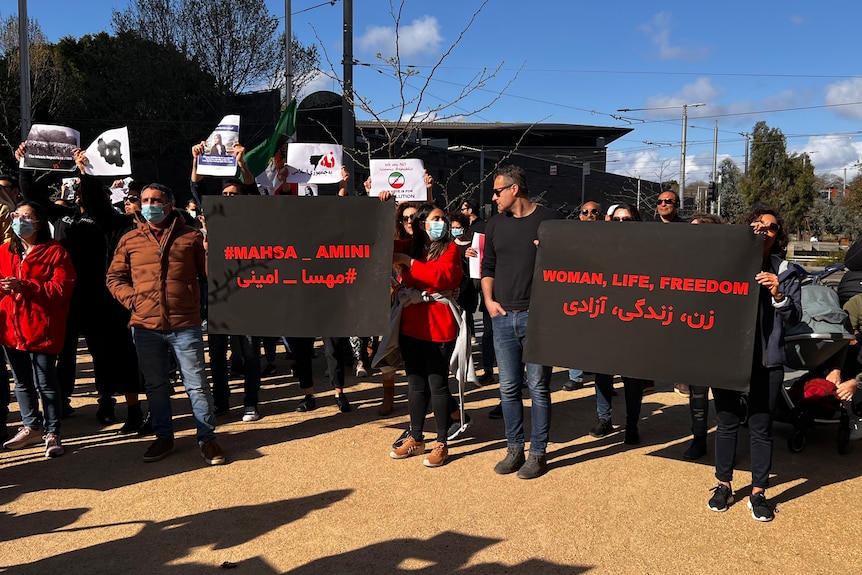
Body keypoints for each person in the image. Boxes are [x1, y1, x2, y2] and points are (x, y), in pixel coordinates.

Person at [106, 182, 225, 465]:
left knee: (196, 384)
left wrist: (210, 252)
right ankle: (163, 436)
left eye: (154, 200)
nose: (148, 205)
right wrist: (133, 301)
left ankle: (207, 439)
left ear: (169, 205)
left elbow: (211, 276)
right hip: (145, 326)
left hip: (185, 324)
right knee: (156, 385)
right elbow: (114, 278)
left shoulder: (192, 237)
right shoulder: (130, 240)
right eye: (144, 200)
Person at [707, 206, 801, 522]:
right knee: (727, 421)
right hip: (726, 356)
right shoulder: (723, 263)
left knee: (761, 427)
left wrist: (777, 293)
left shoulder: (786, 271)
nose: (763, 230)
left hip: (766, 361)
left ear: (778, 237)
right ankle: (723, 485)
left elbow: (794, 317)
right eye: (757, 224)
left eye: (771, 227)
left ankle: (758, 492)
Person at [481, 164, 560, 480]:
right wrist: (489, 301)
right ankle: (514, 448)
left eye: (498, 191)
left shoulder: (550, 220)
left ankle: (538, 453)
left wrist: (552, 252)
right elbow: (488, 266)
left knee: (539, 387)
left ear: (515, 189)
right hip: (502, 317)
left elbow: (573, 265)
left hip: (537, 317)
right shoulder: (495, 224)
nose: (494, 197)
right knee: (508, 387)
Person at [388, 204, 464, 467]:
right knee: (415, 384)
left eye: (442, 218)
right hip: (412, 326)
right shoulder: (411, 245)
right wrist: (383, 204)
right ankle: (417, 437)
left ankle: (441, 442)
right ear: (421, 224)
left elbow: (442, 277)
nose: (440, 223)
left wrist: (409, 263)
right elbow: (379, 239)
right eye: (435, 219)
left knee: (438, 385)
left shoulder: (451, 249)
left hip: (439, 328)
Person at [1, 201, 76, 457]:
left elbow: (62, 289)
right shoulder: (4, 252)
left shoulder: (56, 252)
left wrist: (27, 286)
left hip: (42, 327)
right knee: (21, 382)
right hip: (11, 329)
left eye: (26, 216)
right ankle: (30, 426)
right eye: (16, 215)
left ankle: (52, 432)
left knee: (45, 382)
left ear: (38, 222)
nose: (19, 220)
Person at [589, 203, 649, 445]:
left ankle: (631, 424)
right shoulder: (599, 247)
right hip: (604, 318)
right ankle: (604, 419)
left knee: (632, 378)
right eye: (617, 220)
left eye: (627, 220)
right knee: (602, 374)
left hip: (634, 319)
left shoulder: (646, 249)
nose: (621, 224)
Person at [680, 213, 723, 459]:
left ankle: (727, 437)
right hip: (693, 334)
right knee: (697, 393)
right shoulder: (683, 259)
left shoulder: (727, 260)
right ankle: (699, 438)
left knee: (724, 393)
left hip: (720, 336)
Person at [564, 200, 603, 391]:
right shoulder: (571, 238)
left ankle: (604, 380)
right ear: (580, 216)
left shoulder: (610, 239)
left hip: (602, 296)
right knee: (575, 336)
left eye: (594, 212)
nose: (589, 215)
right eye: (585, 212)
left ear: (601, 216)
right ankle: (576, 376)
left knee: (599, 339)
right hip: (577, 296)